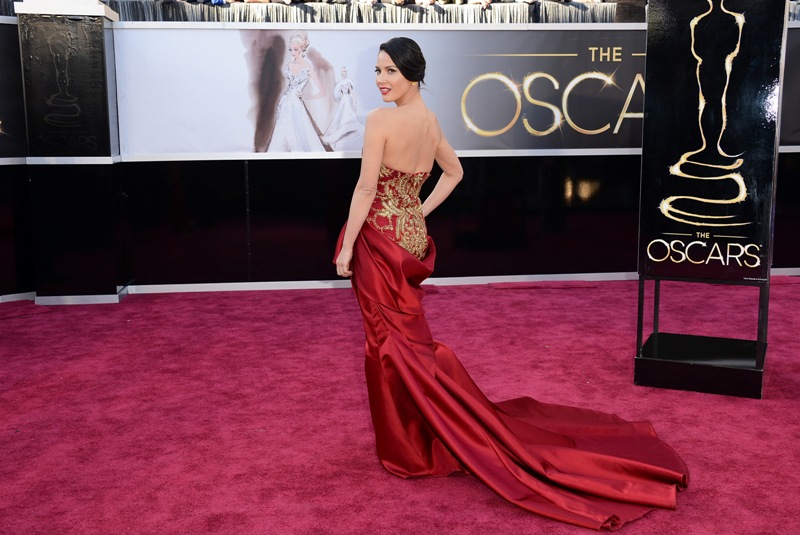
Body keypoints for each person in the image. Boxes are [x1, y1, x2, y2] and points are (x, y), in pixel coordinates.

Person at [334, 37, 688, 531]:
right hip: (409, 238)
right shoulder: (429, 120)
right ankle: (420, 429)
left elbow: (367, 187)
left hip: (379, 240)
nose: (381, 80)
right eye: (378, 70)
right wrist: (417, 212)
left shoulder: (380, 121)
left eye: (390, 70)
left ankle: (410, 445)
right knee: (404, 340)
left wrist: (348, 246)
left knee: (386, 343)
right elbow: (454, 173)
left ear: (413, 72)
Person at [267, 31, 328, 153]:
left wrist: (307, 97)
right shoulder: (289, 65)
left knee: (298, 133)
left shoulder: (308, 67)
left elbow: (322, 91)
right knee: (282, 131)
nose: (293, 53)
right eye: (291, 50)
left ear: (302, 49)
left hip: (295, 104)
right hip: (284, 102)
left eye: (296, 49)